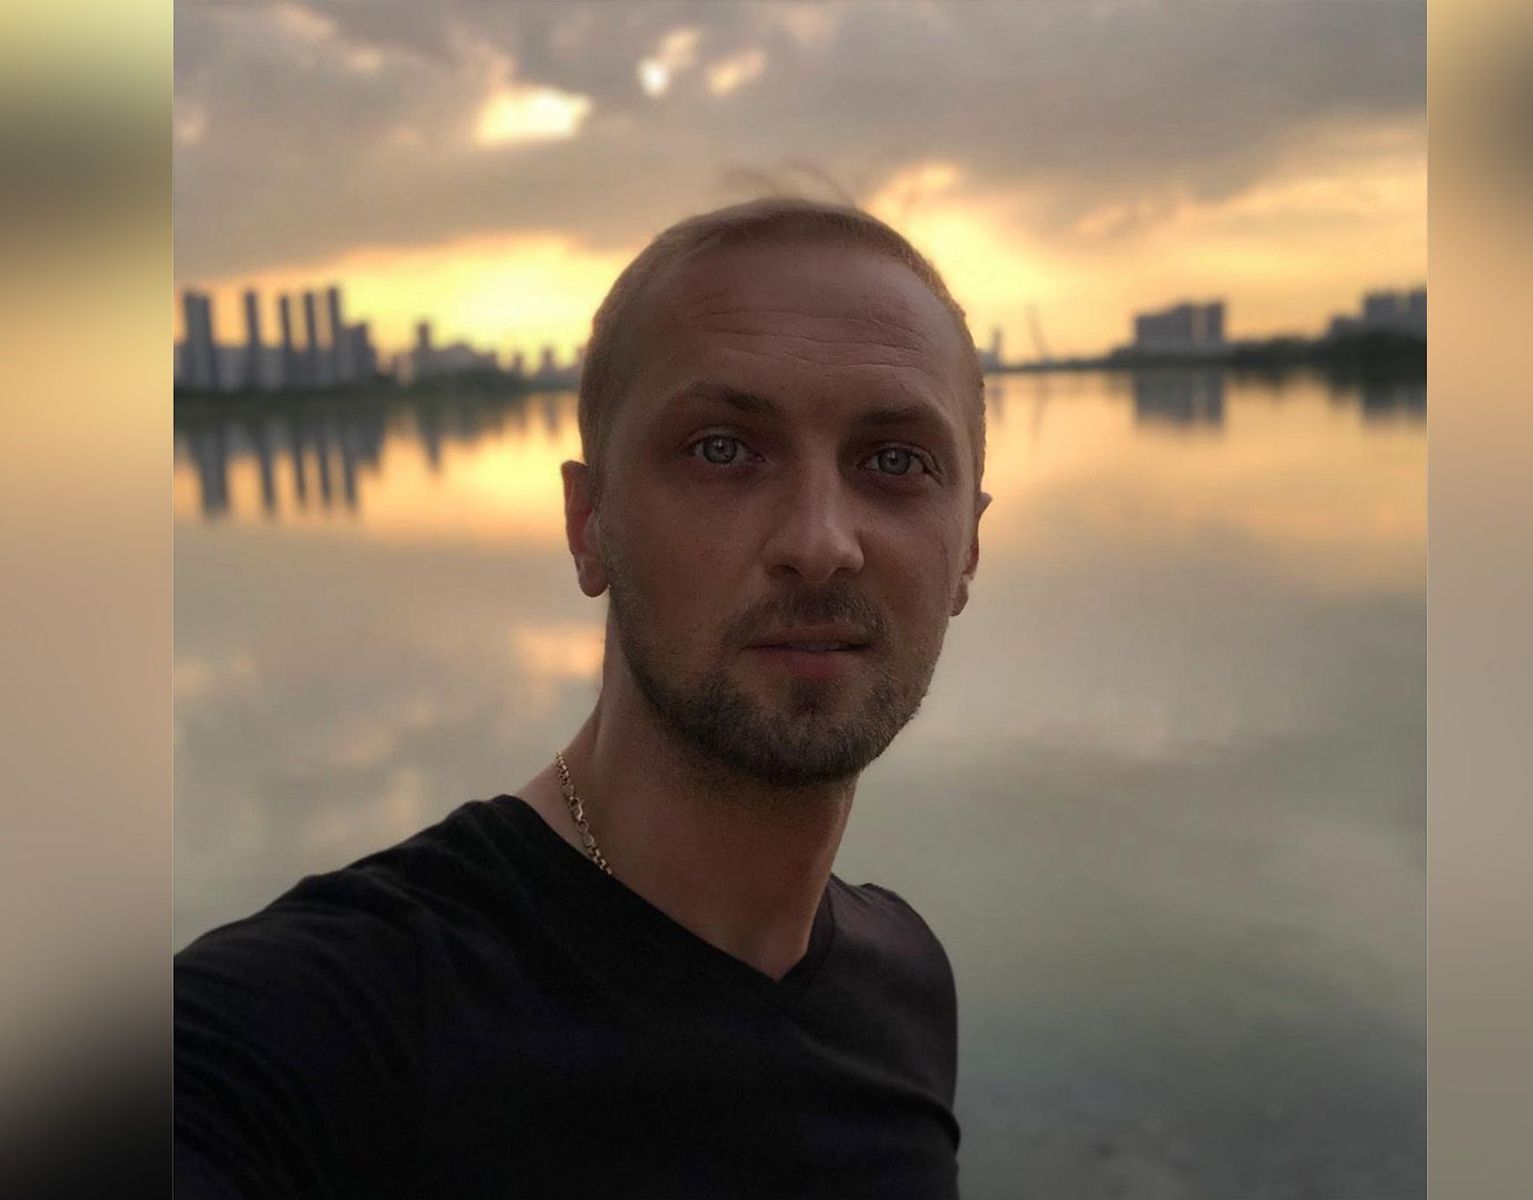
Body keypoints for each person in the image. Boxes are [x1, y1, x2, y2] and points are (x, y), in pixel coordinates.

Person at [175, 197, 992, 1200]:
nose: (819, 542)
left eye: (895, 461)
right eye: (723, 449)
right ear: (588, 524)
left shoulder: (903, 977)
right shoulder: (302, 1029)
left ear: (969, 548)